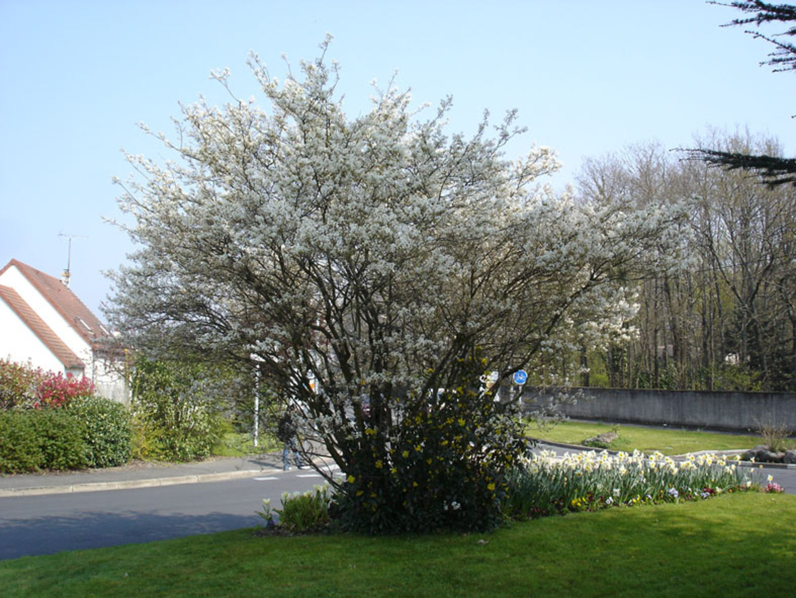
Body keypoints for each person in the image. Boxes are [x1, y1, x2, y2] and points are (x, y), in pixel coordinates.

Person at [277, 406, 303, 471]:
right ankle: (299, 464)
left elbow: (280, 427)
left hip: (286, 436)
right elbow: (295, 427)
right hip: (292, 436)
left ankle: (286, 466)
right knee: (295, 451)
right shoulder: (292, 418)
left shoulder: (283, 418)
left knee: (286, 451)